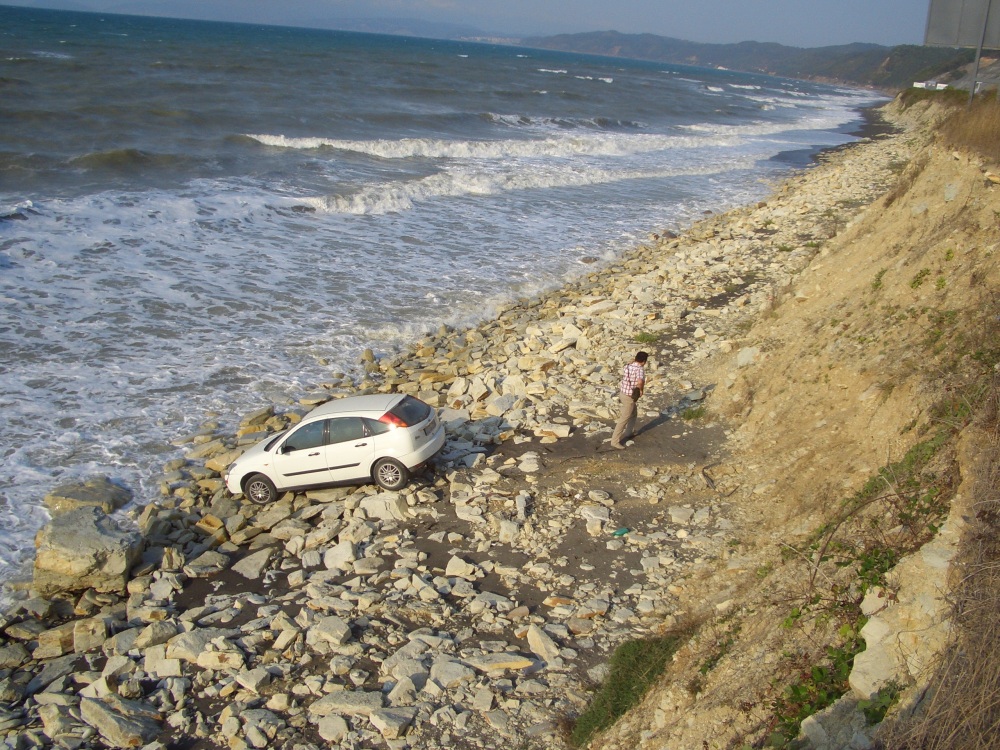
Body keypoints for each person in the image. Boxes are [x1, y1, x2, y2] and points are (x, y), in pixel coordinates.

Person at [610, 351, 648, 449]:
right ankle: (614, 441)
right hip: (629, 397)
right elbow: (640, 381)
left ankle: (629, 432)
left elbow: (630, 363)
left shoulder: (628, 366)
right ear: (644, 361)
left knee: (634, 413)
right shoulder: (639, 369)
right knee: (624, 419)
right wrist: (640, 390)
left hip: (623, 393)